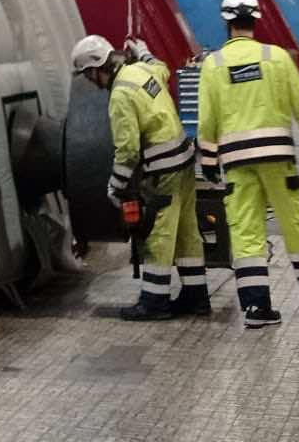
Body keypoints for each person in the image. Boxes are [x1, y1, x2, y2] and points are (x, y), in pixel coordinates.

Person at [196, 0, 299, 329]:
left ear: (226, 22)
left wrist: (209, 159)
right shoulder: (276, 57)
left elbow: (207, 120)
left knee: (245, 230)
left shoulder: (213, 65)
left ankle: (257, 309)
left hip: (236, 161)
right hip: (277, 157)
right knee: (293, 222)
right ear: (256, 20)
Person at [70, 34, 204, 320]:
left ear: (96, 69)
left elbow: (128, 150)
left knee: (159, 234)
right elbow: (162, 68)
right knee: (186, 231)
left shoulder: (119, 95)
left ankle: (154, 303)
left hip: (164, 169)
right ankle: (196, 296)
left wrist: (114, 186)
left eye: (87, 75)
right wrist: (144, 51)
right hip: (184, 160)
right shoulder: (141, 70)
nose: (89, 81)